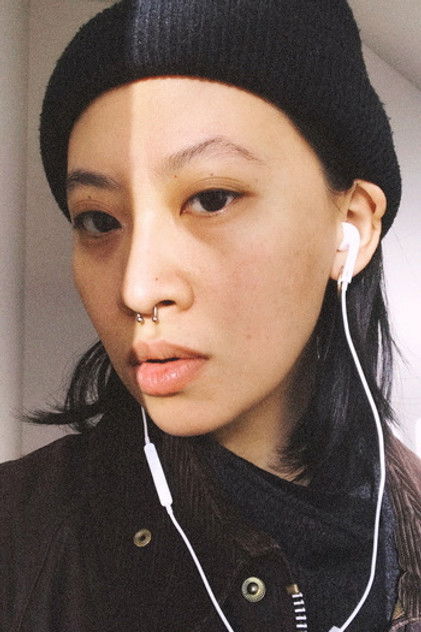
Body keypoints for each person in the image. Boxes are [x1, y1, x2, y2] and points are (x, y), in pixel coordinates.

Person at [1, 1, 420, 630]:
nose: (138, 288)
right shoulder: (19, 538)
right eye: (99, 220)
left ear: (350, 229)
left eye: (211, 198)